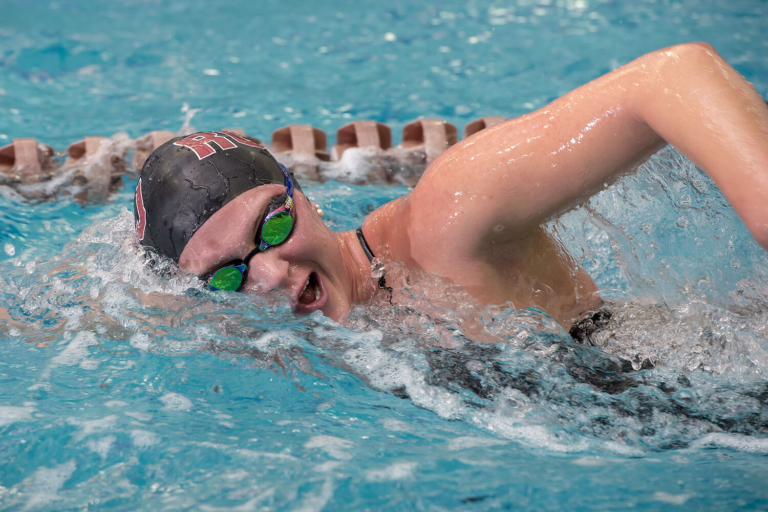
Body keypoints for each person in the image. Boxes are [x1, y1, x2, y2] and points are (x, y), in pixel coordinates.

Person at [133, 43, 768, 336]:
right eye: (227, 276)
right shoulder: (270, 336)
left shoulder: (444, 223)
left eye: (271, 227)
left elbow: (669, 76)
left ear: (304, 195)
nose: (268, 275)